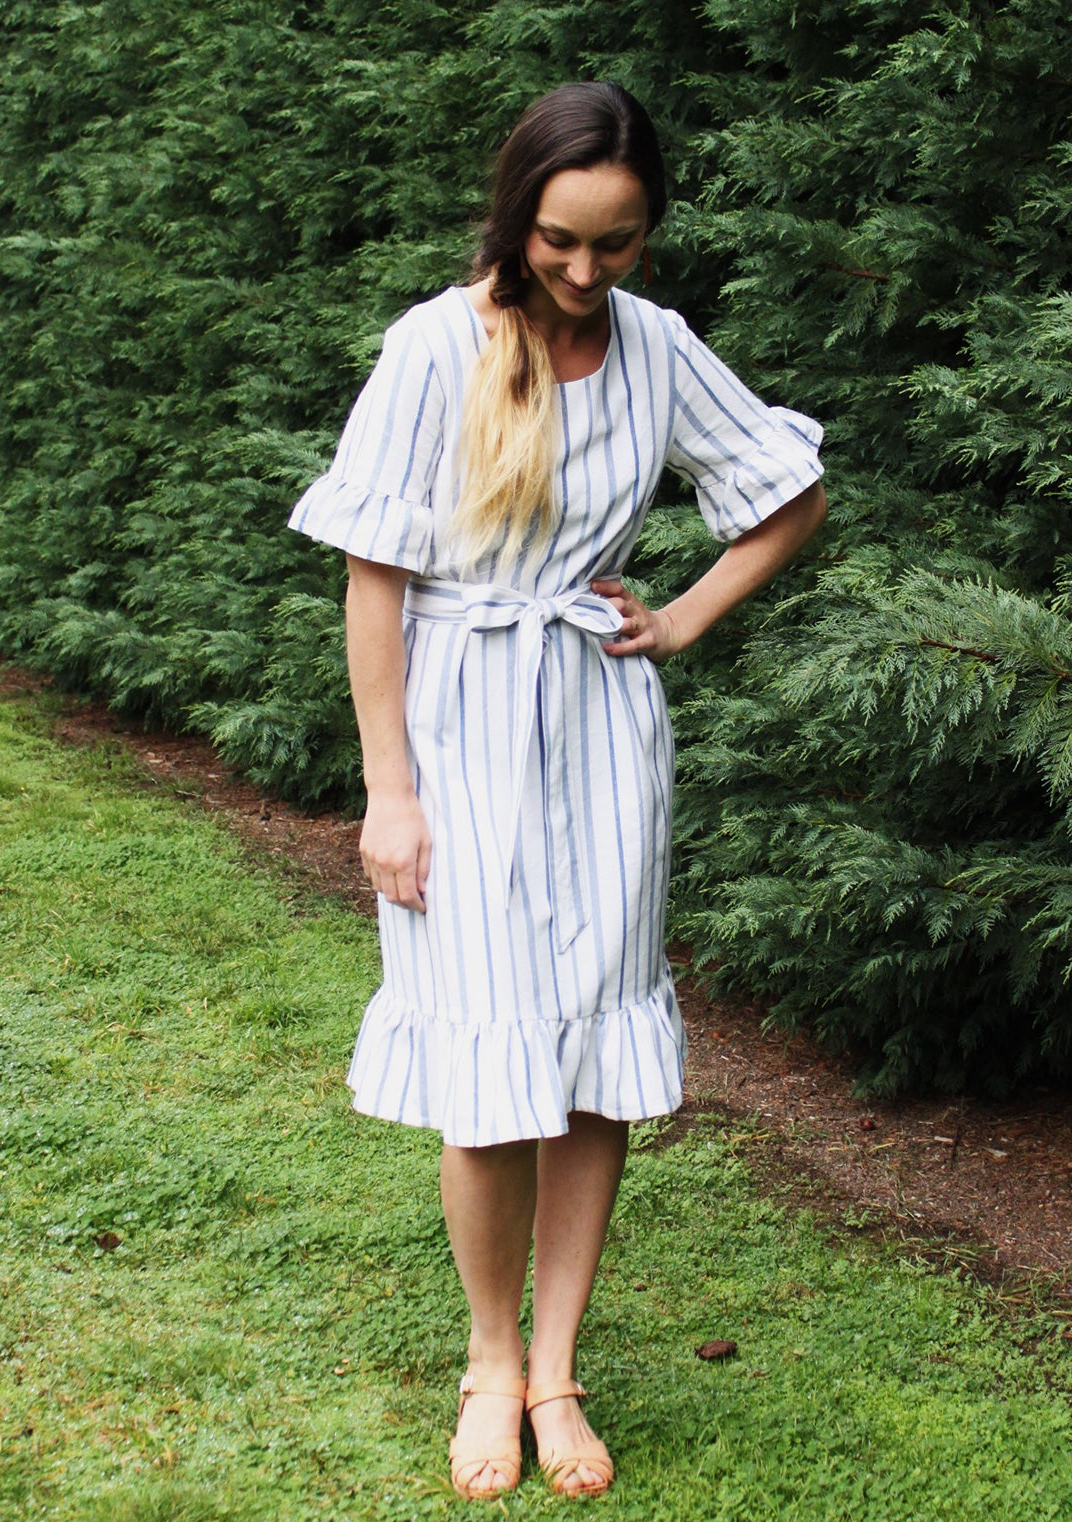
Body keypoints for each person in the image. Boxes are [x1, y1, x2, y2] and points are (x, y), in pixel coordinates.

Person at [288, 80, 826, 1500]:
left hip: (596, 720)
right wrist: (387, 790)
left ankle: (556, 1369)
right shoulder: (431, 348)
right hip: (456, 723)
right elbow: (373, 576)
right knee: (484, 1064)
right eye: (560, 242)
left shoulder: (656, 347)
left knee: (590, 1058)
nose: (586, 274)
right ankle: (485, 1357)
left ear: (647, 233)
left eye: (619, 243)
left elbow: (785, 493)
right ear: (517, 214)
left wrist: (688, 615)